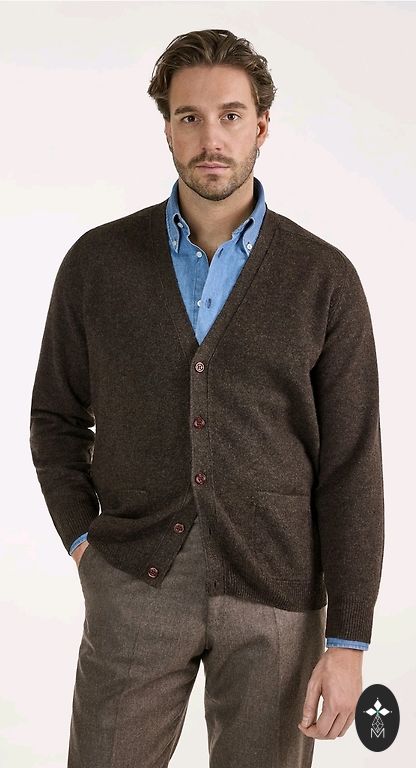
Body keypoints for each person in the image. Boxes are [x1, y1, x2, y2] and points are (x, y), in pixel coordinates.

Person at [29, 28, 385, 768]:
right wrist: (86, 544)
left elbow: (351, 468)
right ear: (166, 127)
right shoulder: (98, 263)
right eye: (189, 117)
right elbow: (55, 419)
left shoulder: (324, 279)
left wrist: (348, 640)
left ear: (261, 126)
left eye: (230, 115)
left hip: (277, 595)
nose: (210, 138)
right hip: (133, 581)